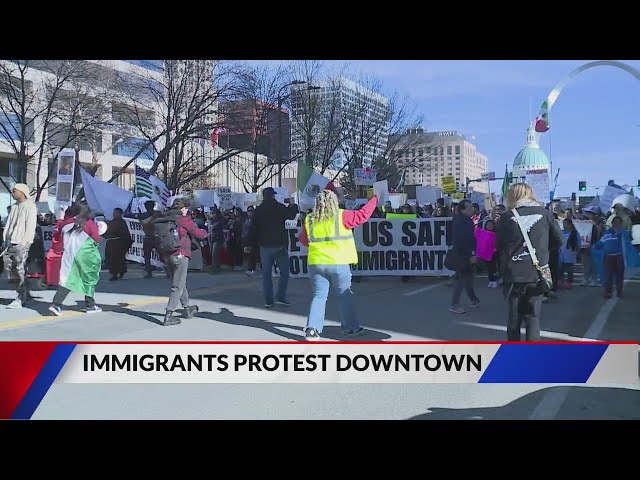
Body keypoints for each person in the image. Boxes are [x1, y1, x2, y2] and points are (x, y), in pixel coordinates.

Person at [299, 191, 377, 341]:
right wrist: (374, 199)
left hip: (316, 263)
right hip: (338, 262)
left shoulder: (309, 219)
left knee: (319, 296)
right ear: (334, 202)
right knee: (344, 296)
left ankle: (312, 330)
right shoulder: (343, 215)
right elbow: (362, 215)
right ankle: (351, 328)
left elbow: (303, 240)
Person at [496, 183, 563, 341]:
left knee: (514, 318)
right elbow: (559, 239)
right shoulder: (545, 213)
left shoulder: (505, 218)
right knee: (533, 317)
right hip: (537, 272)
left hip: (514, 273)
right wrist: (542, 252)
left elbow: (498, 245)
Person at [153, 197, 208, 326]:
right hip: (180, 254)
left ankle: (187, 309)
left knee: (179, 282)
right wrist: (205, 232)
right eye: (186, 208)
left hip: (167, 255)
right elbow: (197, 233)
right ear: (183, 208)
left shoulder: (166, 217)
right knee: (177, 286)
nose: (187, 211)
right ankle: (168, 315)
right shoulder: (183, 220)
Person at [48, 204, 103, 315]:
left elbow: (56, 235)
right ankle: (90, 305)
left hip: (69, 254)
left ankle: (56, 304)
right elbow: (96, 239)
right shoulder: (89, 223)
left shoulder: (65, 223)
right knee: (89, 279)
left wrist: (61, 218)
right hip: (87, 255)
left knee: (67, 279)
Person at [248, 187, 297, 308]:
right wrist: (292, 205)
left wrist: (250, 245)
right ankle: (280, 296)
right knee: (284, 272)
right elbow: (291, 215)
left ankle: (268, 300)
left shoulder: (258, 211)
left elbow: (253, 229)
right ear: (273, 196)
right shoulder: (278, 207)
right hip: (279, 245)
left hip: (264, 246)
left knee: (267, 275)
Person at [2, 183, 38, 309]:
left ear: (22, 192)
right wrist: (5, 238)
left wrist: (24, 243)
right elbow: (9, 223)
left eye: (14, 191)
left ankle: (20, 297)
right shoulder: (15, 206)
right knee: (10, 269)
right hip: (10, 243)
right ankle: (25, 292)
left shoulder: (30, 206)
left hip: (21, 243)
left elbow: (30, 226)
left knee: (19, 269)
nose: (12, 193)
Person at [449, 200, 480, 314]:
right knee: (461, 279)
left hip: (461, 253)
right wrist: (471, 254)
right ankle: (454, 304)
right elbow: (465, 240)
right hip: (463, 254)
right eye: (470, 207)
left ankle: (473, 299)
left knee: (467, 277)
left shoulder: (459, 219)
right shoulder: (464, 221)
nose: (472, 208)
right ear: (463, 209)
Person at [593, 216, 626, 299]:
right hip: (608, 257)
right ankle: (608, 292)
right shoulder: (607, 233)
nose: (616, 224)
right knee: (608, 276)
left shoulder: (623, 233)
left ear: (621, 224)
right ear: (612, 223)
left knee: (619, 275)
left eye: (618, 222)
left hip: (619, 257)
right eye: (614, 222)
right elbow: (599, 244)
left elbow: (628, 245)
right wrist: (593, 247)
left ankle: (619, 292)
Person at [104, 208, 132, 281]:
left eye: (116, 213)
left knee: (118, 259)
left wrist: (126, 242)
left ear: (120, 214)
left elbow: (125, 234)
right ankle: (114, 273)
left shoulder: (122, 222)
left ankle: (117, 273)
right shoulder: (111, 222)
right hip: (110, 243)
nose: (114, 214)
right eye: (114, 212)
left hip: (118, 244)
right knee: (111, 259)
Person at [138, 200, 162, 279]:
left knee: (148, 256)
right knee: (160, 254)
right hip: (154, 237)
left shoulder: (143, 215)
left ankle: (149, 272)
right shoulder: (157, 214)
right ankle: (167, 270)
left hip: (150, 237)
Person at [580, 207, 602, 287]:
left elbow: (601, 231)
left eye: (590, 213)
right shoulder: (583, 222)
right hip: (584, 246)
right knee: (585, 264)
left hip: (594, 245)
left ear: (595, 214)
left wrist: (594, 224)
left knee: (593, 264)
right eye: (587, 212)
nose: (588, 214)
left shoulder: (599, 222)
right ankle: (585, 278)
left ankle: (594, 279)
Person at [558, 218, 581, 288]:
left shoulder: (575, 233)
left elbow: (578, 244)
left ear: (570, 225)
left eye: (566, 224)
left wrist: (578, 253)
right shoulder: (561, 232)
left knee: (569, 269)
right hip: (561, 253)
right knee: (560, 269)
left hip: (570, 253)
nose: (564, 225)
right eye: (563, 224)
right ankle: (561, 281)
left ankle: (569, 282)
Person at [242, 206, 258, 276]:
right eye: (248, 211)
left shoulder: (255, 220)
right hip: (246, 239)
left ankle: (252, 269)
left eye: (251, 211)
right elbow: (244, 229)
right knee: (248, 254)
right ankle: (250, 268)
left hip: (253, 239)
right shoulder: (246, 220)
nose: (250, 212)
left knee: (252, 255)